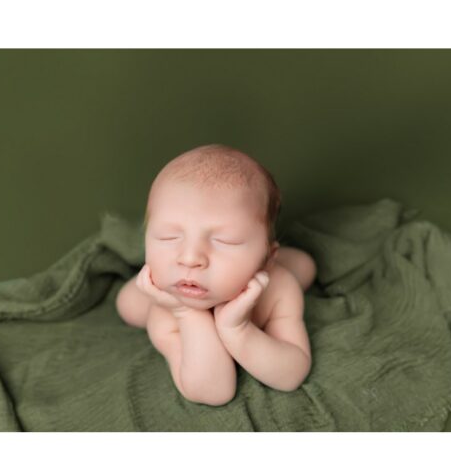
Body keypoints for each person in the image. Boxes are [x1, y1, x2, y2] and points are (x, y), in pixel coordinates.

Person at [116, 145, 316, 405]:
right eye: (168, 237)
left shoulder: (279, 289)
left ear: (268, 258)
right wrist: (186, 313)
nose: (190, 258)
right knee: (129, 306)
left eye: (226, 241)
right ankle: (135, 289)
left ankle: (279, 258)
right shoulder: (164, 312)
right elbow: (214, 392)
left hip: (267, 270)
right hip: (159, 297)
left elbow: (291, 375)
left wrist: (239, 330)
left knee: (306, 267)